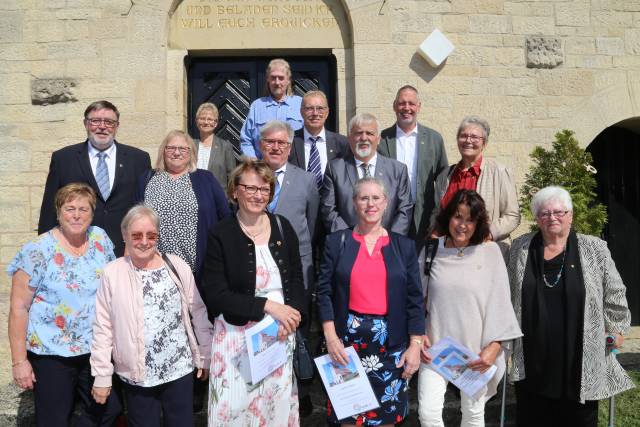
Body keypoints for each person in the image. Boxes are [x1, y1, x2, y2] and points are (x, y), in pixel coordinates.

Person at [508, 186, 634, 427]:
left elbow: (615, 290)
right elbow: (507, 291)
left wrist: (616, 329)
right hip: (533, 355)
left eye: (559, 212)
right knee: (533, 417)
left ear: (571, 215)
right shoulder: (520, 248)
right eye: (544, 213)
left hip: (579, 354)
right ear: (536, 218)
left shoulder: (594, 248)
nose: (552, 218)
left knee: (579, 419)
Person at [8, 183, 121, 427]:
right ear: (58, 212)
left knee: (110, 409)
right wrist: (19, 361)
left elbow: (115, 284)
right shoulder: (37, 250)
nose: (77, 215)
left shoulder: (100, 238)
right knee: (53, 420)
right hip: (51, 355)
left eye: (83, 209)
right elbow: (18, 308)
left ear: (92, 213)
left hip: (95, 349)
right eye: (70, 209)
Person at [203, 159, 306, 426]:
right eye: (249, 188)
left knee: (273, 410)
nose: (257, 195)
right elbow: (216, 294)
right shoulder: (220, 233)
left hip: (279, 336)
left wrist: (292, 316)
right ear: (234, 191)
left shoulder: (283, 227)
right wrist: (268, 307)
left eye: (264, 189)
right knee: (235, 411)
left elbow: (296, 278)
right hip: (235, 341)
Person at [91, 204, 213, 427]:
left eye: (151, 235)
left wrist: (205, 355)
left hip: (179, 370)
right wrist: (101, 375)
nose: (144, 241)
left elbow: (198, 311)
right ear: (125, 235)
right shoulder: (112, 273)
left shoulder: (176, 265)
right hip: (137, 374)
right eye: (136, 235)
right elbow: (103, 327)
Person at [317, 177, 424, 426]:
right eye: (364, 198)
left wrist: (415, 344)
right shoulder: (337, 242)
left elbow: (415, 299)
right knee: (348, 418)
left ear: (386, 203)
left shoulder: (404, 246)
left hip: (391, 345)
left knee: (386, 418)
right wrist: (331, 337)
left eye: (376, 198)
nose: (370, 203)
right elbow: (324, 293)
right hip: (346, 346)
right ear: (354, 203)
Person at [418, 189, 522, 427]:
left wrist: (494, 348)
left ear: (478, 223)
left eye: (470, 219)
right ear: (447, 218)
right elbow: (414, 299)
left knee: (473, 415)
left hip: (476, 353)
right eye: (457, 216)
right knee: (428, 414)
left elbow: (501, 303)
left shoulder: (490, 253)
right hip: (435, 349)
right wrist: (418, 334)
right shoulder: (432, 250)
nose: (462, 225)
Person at [259, 120, 320, 416]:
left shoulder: (306, 181)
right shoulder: (250, 176)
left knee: (300, 330)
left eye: (282, 143)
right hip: (259, 272)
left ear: (289, 146)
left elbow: (314, 223)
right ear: (261, 145)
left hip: (298, 270)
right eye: (270, 142)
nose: (275, 147)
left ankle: (303, 389)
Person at [38, 100, 151, 256]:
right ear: (85, 124)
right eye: (95, 121)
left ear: (117, 126)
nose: (102, 126)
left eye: (109, 122)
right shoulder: (63, 158)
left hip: (125, 250)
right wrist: (46, 250)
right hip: (75, 249)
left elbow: (144, 208)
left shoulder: (138, 159)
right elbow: (49, 209)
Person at [136, 129, 230, 289]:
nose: (176, 153)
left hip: (198, 269)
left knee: (197, 312)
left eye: (183, 148)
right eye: (171, 148)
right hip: (154, 266)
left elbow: (226, 218)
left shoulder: (206, 179)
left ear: (191, 152)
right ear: (163, 151)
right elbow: (135, 221)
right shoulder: (147, 178)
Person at [430, 116, 519, 247]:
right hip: (449, 251)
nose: (468, 140)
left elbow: (512, 215)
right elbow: (437, 212)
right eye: (463, 136)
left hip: (485, 249)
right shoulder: (445, 175)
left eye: (475, 137)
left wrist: (488, 233)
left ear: (484, 143)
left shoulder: (499, 172)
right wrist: (434, 232)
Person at [321, 112, 413, 235]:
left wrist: (389, 240)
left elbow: (404, 210)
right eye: (358, 133)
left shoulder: (398, 170)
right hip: (348, 245)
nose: (364, 138)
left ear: (378, 138)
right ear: (349, 137)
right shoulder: (335, 168)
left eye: (369, 133)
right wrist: (350, 238)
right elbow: (328, 210)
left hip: (386, 246)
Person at [378, 85, 448, 242]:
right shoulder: (381, 139)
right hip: (390, 214)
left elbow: (444, 180)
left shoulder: (434, 139)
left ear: (419, 106)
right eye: (402, 103)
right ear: (395, 106)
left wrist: (439, 215)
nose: (406, 108)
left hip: (423, 214)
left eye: (411, 103)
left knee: (420, 264)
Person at [240, 58, 303, 158]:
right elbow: (246, 140)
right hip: (263, 169)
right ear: (268, 80)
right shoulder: (257, 106)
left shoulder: (300, 104)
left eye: (281, 78)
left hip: (293, 168)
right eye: (273, 78)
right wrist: (255, 163)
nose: (277, 82)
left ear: (288, 80)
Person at [289, 90, 350, 189]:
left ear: (327, 112)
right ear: (301, 112)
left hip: (332, 202)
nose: (315, 113)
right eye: (309, 108)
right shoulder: (290, 141)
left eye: (320, 108)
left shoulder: (342, 143)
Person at [193, 102, 238, 188]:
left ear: (216, 123)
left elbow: (232, 177)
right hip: (192, 197)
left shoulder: (225, 147)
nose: (206, 122)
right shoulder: (190, 145)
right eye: (202, 118)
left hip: (217, 198)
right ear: (196, 121)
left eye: (210, 119)